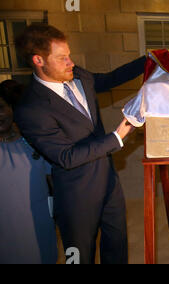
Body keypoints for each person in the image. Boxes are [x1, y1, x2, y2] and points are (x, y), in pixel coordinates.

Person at [14, 23, 145, 264]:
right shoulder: (30, 108)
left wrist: (147, 61)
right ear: (38, 60)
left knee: (117, 248)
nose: (71, 62)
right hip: (77, 195)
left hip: (108, 181)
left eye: (70, 55)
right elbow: (66, 156)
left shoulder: (78, 75)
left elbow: (108, 79)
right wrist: (117, 136)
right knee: (79, 256)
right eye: (62, 58)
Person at [0, 80, 58, 264]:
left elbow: (55, 182)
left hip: (39, 233)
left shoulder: (34, 143)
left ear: (11, 107)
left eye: (1, 107)